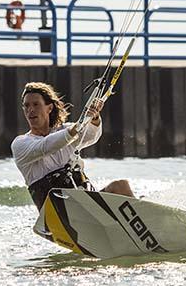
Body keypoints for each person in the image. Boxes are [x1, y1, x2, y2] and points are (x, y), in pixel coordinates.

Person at [12, 82, 134, 210]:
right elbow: (45, 146)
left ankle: (145, 225)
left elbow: (91, 135)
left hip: (88, 206)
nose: (30, 110)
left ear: (49, 108)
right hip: (58, 213)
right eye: (26, 106)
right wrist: (75, 128)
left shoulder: (65, 129)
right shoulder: (20, 144)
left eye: (36, 104)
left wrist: (94, 117)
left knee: (121, 186)